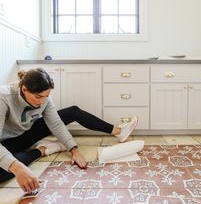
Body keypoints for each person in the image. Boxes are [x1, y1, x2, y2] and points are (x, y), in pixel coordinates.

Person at [0, 68, 138, 193]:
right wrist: (17, 167)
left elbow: (56, 124)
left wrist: (73, 149)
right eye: (38, 97)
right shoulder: (3, 97)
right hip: (5, 143)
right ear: (24, 90)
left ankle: (119, 131)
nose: (42, 102)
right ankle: (43, 150)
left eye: (46, 96)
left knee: (73, 111)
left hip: (24, 133)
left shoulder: (44, 98)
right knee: (4, 170)